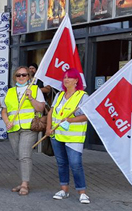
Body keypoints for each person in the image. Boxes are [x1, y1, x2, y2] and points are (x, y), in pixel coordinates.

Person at [46, 68, 91, 204]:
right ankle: (64, 189)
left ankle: (82, 192)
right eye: (64, 77)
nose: (66, 80)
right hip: (57, 135)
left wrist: (70, 120)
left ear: (76, 80)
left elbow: (87, 116)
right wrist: (48, 128)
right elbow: (51, 113)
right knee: (61, 163)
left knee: (75, 164)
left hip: (74, 137)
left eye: (70, 77)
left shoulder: (82, 96)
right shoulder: (60, 95)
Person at [0, 67, 45, 196]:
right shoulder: (10, 91)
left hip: (29, 127)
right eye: (18, 75)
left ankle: (25, 184)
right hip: (13, 128)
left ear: (29, 77)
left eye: (24, 75)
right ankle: (23, 181)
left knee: (24, 155)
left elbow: (41, 107)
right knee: (19, 156)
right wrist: (6, 122)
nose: (21, 77)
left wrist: (31, 98)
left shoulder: (35, 89)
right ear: (15, 77)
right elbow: (4, 110)